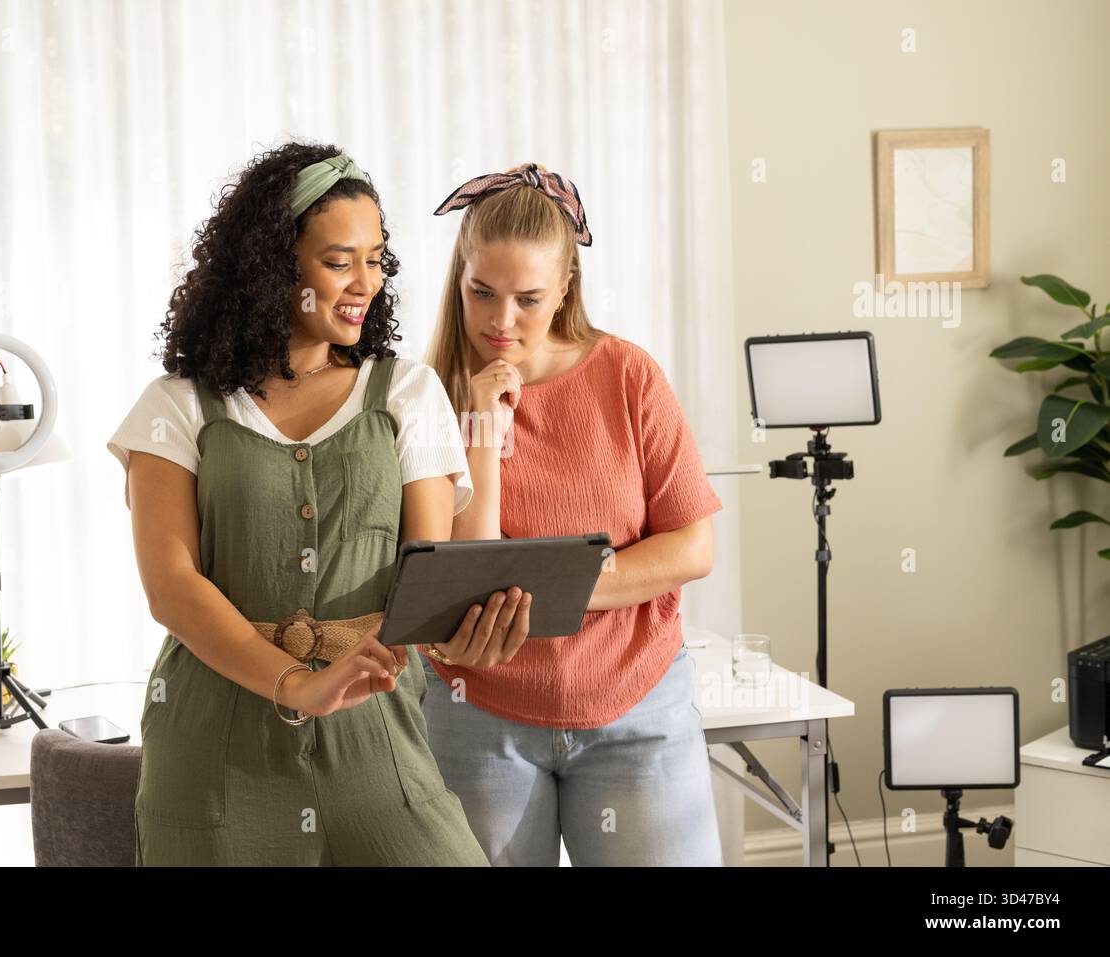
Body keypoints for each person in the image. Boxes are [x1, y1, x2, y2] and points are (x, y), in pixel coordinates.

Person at [106, 142, 499, 865]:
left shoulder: (407, 394)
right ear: (273, 266)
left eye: (376, 258)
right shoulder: (177, 408)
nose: (365, 282)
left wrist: (459, 631)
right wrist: (297, 683)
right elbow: (172, 586)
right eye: (338, 260)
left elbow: (428, 571)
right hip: (214, 748)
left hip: (373, 738)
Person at [420, 162, 725, 866]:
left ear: (566, 288)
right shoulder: (427, 394)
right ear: (458, 281)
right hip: (479, 715)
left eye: (528, 298)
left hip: (636, 706)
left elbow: (691, 546)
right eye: (481, 293)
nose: (501, 321)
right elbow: (466, 573)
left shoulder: (629, 375)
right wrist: (482, 431)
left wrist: (553, 585)